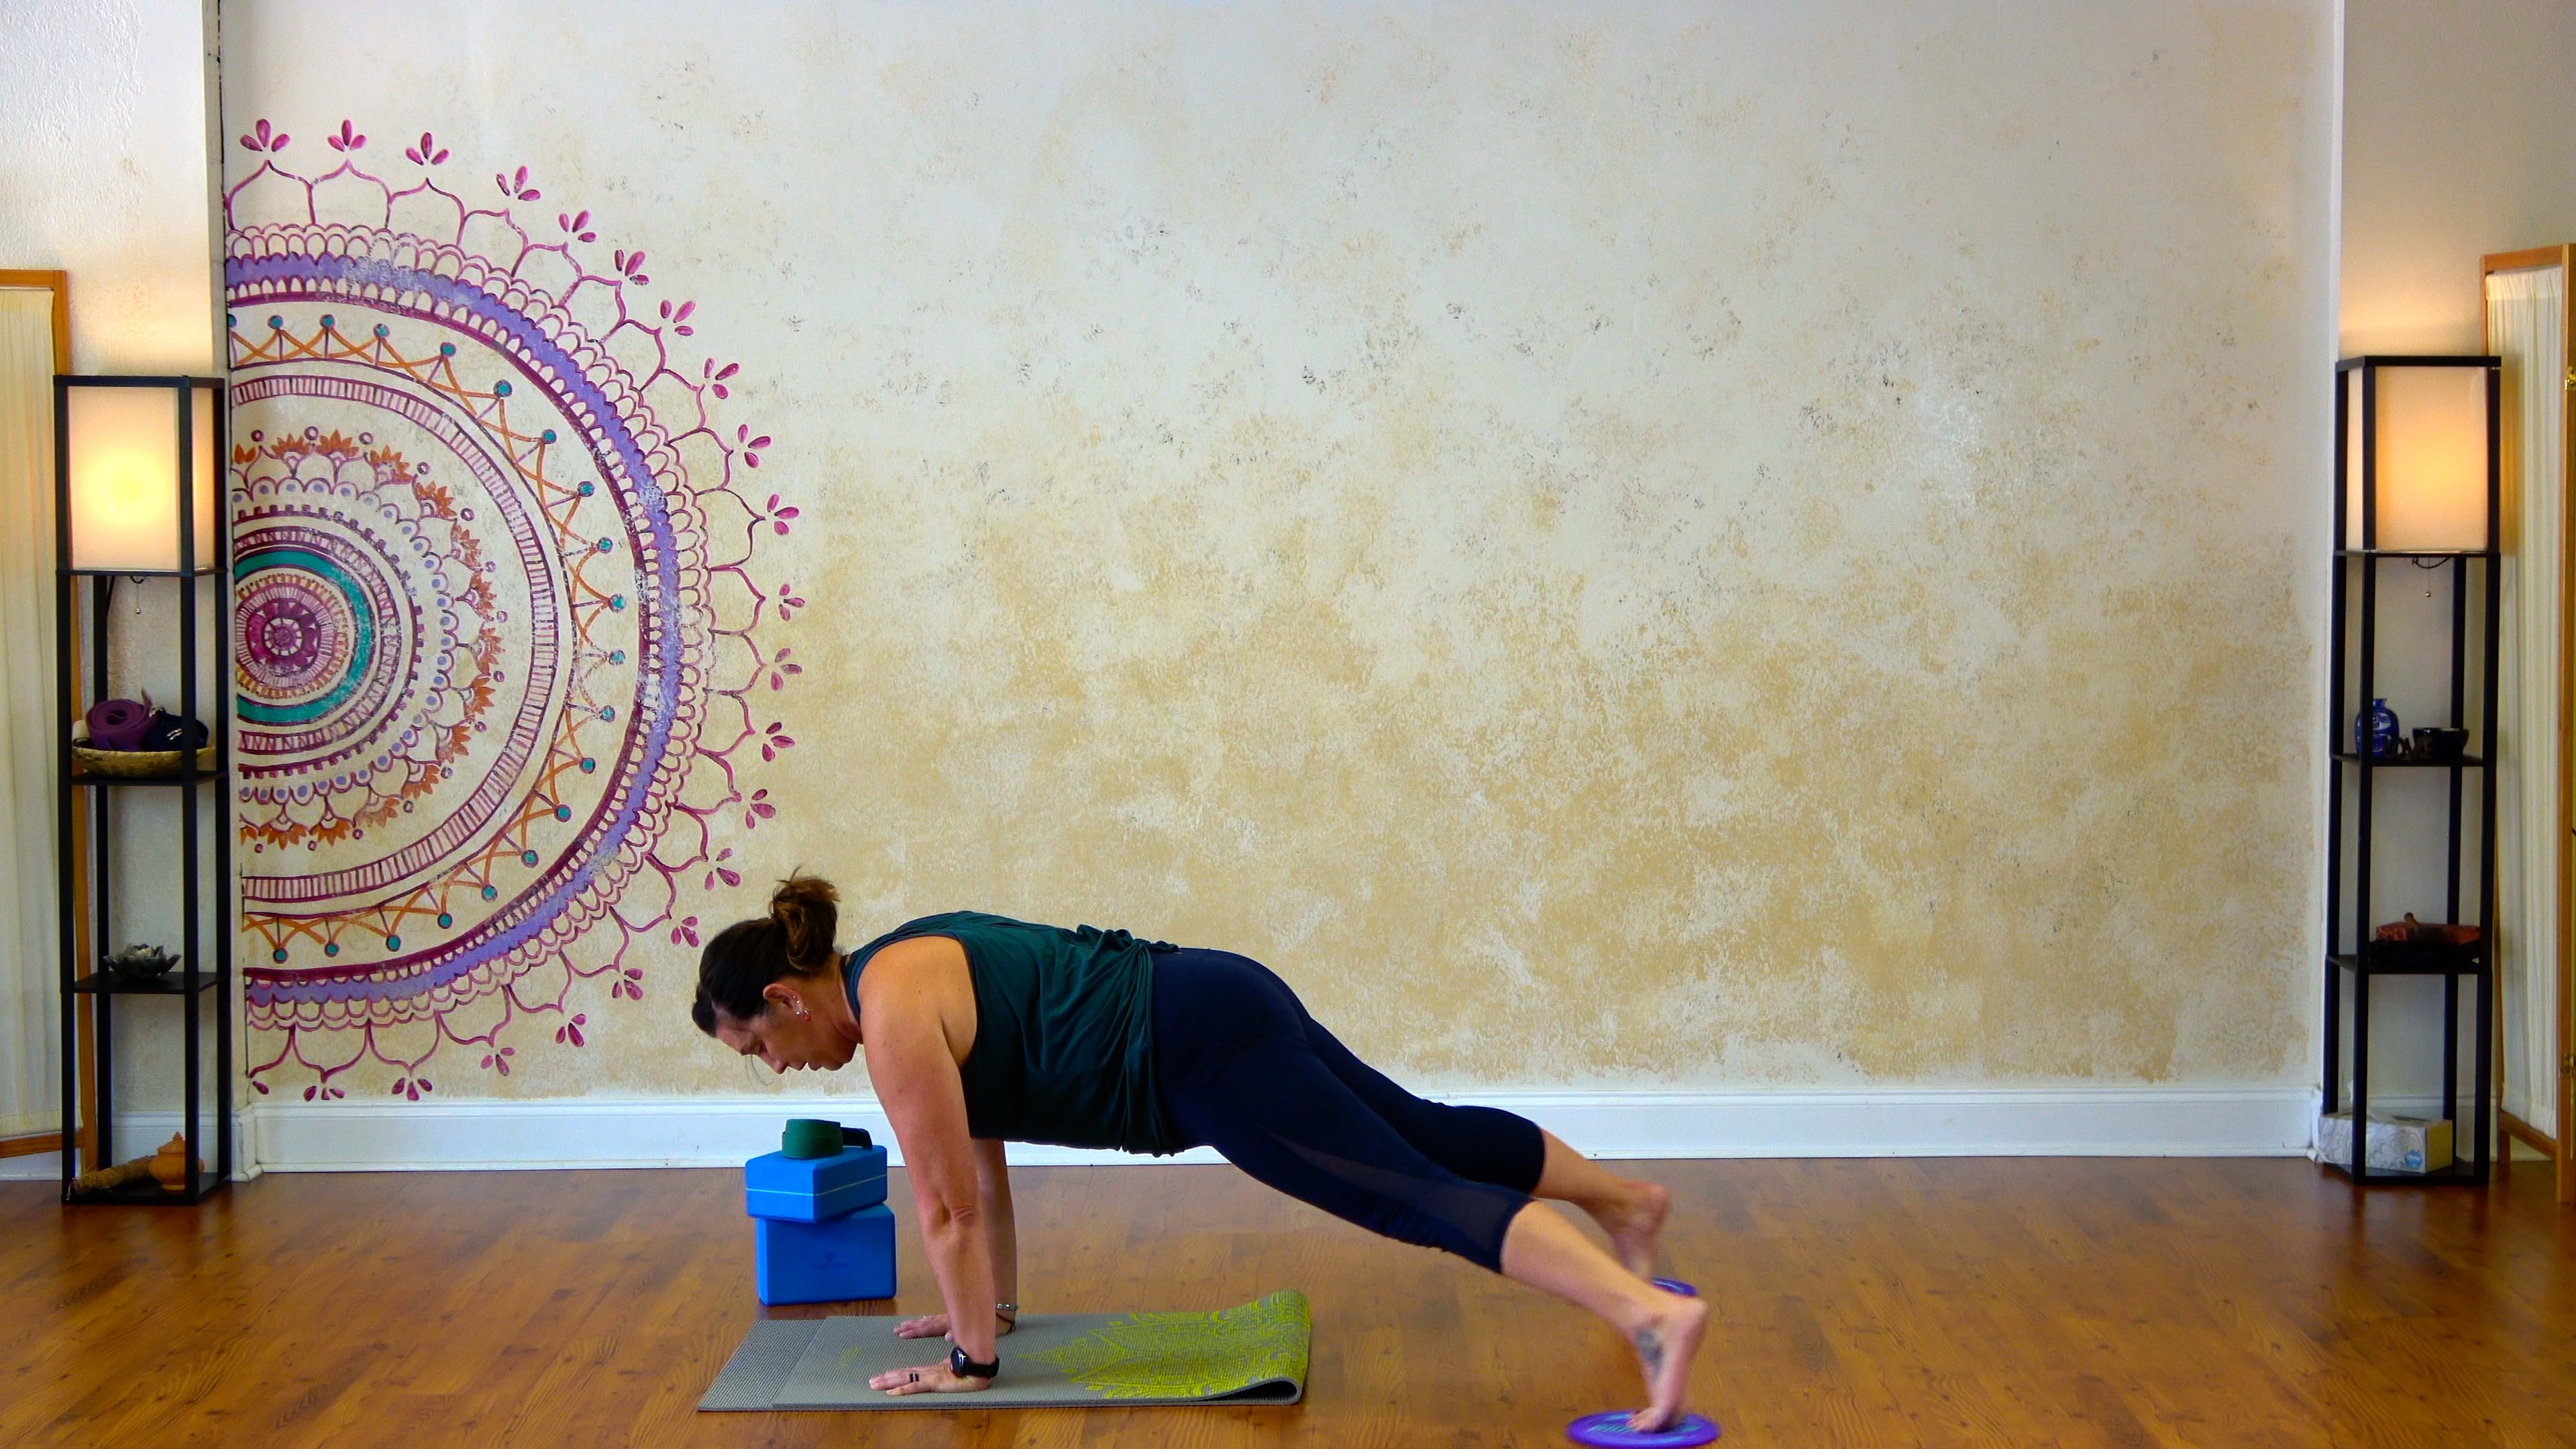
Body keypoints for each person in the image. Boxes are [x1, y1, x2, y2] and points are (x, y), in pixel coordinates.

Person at [692, 875, 1705, 1430]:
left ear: (786, 998)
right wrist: (986, 1315)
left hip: (1195, 1052)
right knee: (1424, 1130)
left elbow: (945, 1210)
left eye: (760, 1049)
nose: (777, 1069)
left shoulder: (892, 1017)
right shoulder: (905, 961)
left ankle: (1650, 1314)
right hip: (1217, 993)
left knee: (1411, 1191)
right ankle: (1625, 1205)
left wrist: (971, 1366)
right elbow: (981, 1174)